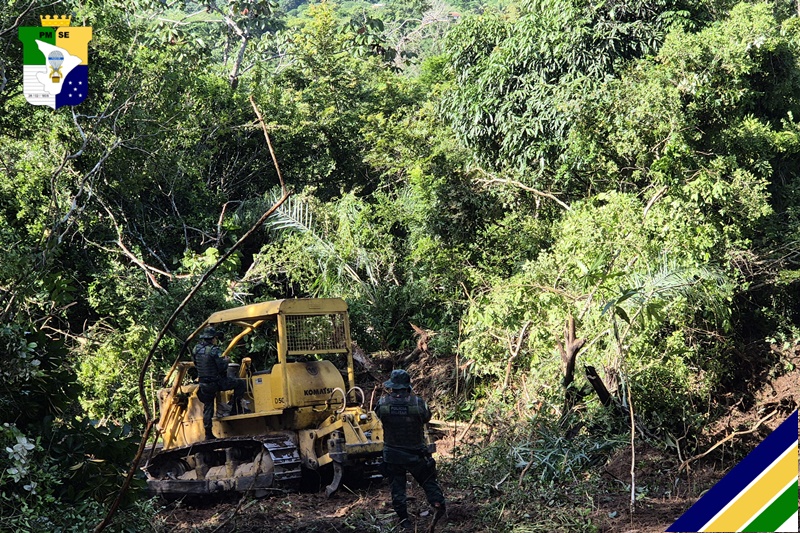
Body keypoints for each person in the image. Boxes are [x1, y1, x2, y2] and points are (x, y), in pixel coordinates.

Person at [376, 369, 445, 530]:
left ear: (392, 387)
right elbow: (426, 417)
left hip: (392, 455)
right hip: (416, 454)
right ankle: (437, 503)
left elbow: (379, 415)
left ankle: (404, 521)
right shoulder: (418, 403)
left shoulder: (383, 404)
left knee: (397, 488)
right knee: (428, 481)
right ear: (408, 387)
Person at [192, 326, 246, 440]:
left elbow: (196, 364)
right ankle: (234, 409)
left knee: (208, 407)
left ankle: (208, 433)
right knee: (240, 383)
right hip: (216, 382)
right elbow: (221, 367)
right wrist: (226, 361)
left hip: (203, 384)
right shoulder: (214, 350)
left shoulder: (196, 349)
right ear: (213, 338)